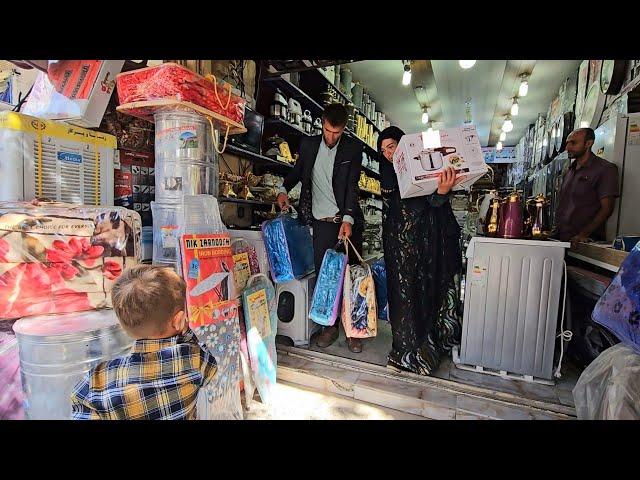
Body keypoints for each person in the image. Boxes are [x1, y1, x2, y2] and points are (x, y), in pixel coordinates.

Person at [70, 265, 217, 420]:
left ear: (122, 325)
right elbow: (211, 368)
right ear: (179, 320)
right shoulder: (194, 359)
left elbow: (80, 410)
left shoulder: (97, 380)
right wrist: (186, 333)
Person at [276, 103, 365, 353]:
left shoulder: (353, 148)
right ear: (322, 123)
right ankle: (330, 327)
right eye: (327, 130)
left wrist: (348, 218)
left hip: (345, 222)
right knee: (327, 279)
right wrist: (283, 190)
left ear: (344, 129)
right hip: (321, 224)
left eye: (336, 133)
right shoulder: (309, 145)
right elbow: (297, 172)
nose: (331, 137)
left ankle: (353, 330)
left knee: (350, 279)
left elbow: (352, 187)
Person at [378, 126, 464, 375]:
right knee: (403, 301)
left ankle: (427, 354)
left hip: (426, 246)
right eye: (383, 150)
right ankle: (403, 354)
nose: (388, 154)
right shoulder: (387, 174)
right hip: (398, 249)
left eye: (391, 147)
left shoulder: (423, 166)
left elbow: (432, 206)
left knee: (426, 295)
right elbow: (391, 213)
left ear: (404, 145)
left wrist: (442, 192)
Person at [556, 127, 619, 242]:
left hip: (585, 243)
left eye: (573, 143)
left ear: (588, 143)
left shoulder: (605, 169)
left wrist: (584, 234)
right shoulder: (569, 171)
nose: (567, 148)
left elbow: (607, 208)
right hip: (562, 239)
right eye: (567, 143)